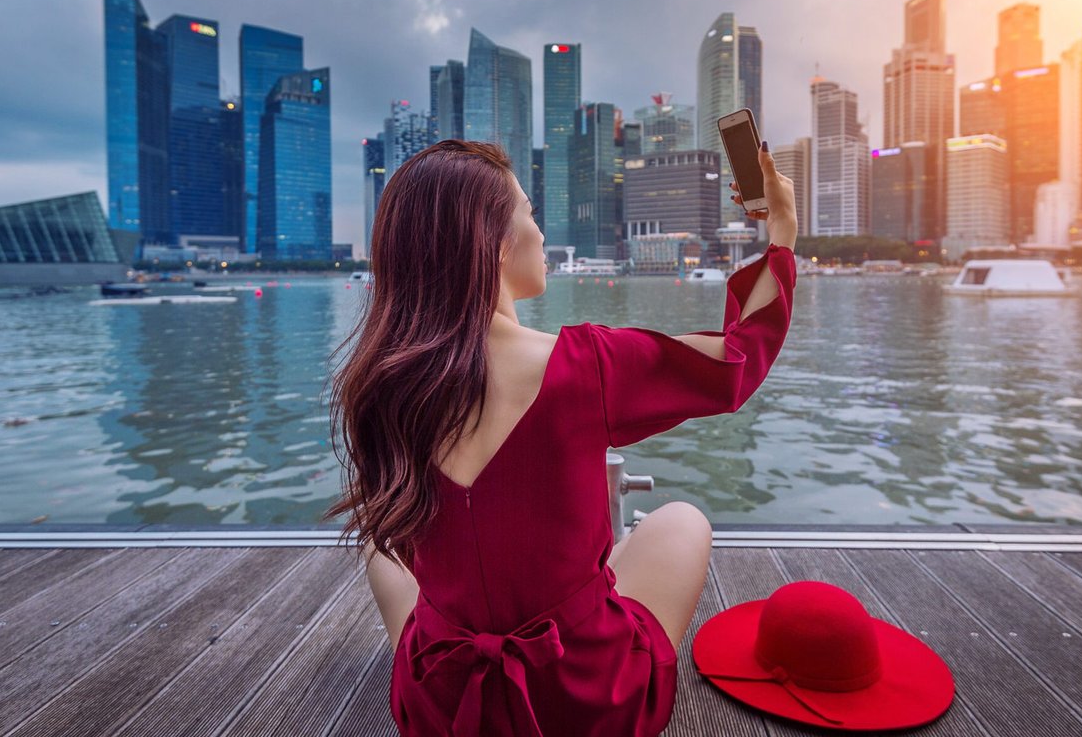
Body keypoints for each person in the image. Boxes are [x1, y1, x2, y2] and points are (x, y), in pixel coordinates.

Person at [327, 137, 797, 736]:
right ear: (494, 242)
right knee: (682, 522)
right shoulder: (586, 365)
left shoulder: (383, 383)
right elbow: (738, 357)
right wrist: (782, 227)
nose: (542, 234)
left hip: (443, 708)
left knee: (379, 549)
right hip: (589, 705)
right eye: (530, 213)